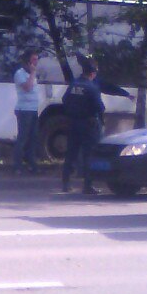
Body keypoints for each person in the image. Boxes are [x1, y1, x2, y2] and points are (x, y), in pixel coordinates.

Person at [61, 59, 105, 194]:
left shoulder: (74, 84)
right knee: (89, 155)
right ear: (93, 73)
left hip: (73, 122)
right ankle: (87, 185)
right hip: (89, 124)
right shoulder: (92, 87)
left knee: (71, 153)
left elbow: (64, 100)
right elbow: (100, 107)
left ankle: (66, 183)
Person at [12, 50, 41, 172]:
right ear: (27, 62)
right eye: (34, 59)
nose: (36, 62)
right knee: (23, 138)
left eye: (37, 59)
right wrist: (33, 73)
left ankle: (31, 164)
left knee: (33, 138)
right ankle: (17, 165)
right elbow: (27, 88)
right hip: (24, 110)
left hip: (33, 110)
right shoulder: (20, 74)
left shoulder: (32, 75)